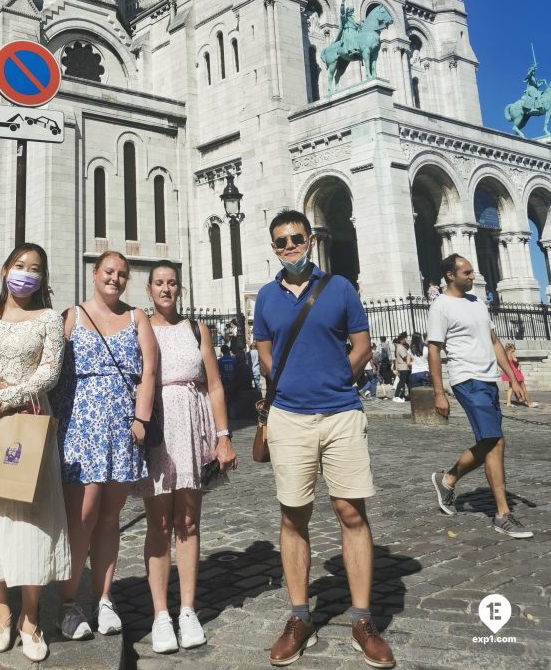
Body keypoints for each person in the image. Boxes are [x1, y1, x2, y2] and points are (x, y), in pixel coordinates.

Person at [254, 209, 395, 668]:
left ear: (310, 239)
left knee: (351, 510)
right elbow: (264, 352)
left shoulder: (339, 288)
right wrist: (291, 384)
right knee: (293, 514)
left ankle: (361, 618)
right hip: (290, 417)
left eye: (296, 238)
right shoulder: (265, 298)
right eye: (281, 241)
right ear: (273, 247)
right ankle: (299, 618)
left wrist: (337, 381)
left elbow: (363, 345)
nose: (290, 246)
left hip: (341, 414)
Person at [0, 243, 70, 662]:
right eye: (20, 265)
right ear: (6, 267)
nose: (27, 274)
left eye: (36, 269)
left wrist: (9, 395)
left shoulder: (48, 318)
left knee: (31, 517)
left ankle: (30, 617)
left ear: (43, 279)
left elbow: (50, 372)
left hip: (26, 422)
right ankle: (1, 614)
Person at [52, 251, 157, 640]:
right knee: (82, 514)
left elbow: (148, 370)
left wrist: (141, 418)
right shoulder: (72, 316)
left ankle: (104, 597)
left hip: (122, 429)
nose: (115, 279)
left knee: (111, 515)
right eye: (109, 272)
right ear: (94, 274)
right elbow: (53, 368)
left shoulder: (137, 318)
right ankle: (68, 602)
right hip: (80, 427)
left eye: (122, 274)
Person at [134, 262, 236, 653]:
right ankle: (161, 613)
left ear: (180, 289)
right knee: (159, 522)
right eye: (159, 283)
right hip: (159, 428)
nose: (166, 289)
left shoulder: (197, 329)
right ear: (149, 289)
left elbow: (214, 384)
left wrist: (224, 437)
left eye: (172, 283)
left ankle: (188, 609)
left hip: (195, 426)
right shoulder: (140, 326)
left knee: (189, 520)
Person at [427, 254, 534, 539]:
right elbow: (434, 350)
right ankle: (502, 514)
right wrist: (439, 393)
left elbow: (495, 342)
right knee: (495, 442)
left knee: (491, 441)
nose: (473, 276)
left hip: (489, 379)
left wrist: (512, 377)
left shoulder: (478, 303)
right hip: (466, 379)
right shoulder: (440, 306)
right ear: (451, 275)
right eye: (467, 272)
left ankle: (448, 478)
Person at [501, 343, 538, 408]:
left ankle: (508, 403)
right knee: (523, 388)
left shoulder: (504, 354)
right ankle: (529, 403)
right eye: (513, 348)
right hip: (515, 371)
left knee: (511, 388)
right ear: (510, 348)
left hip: (508, 371)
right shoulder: (511, 354)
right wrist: (517, 362)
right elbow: (515, 360)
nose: (514, 349)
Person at [392, 332, 411, 402]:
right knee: (401, 382)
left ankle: (410, 395)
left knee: (409, 382)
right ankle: (396, 396)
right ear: (401, 340)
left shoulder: (402, 346)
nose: (405, 340)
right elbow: (405, 356)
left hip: (405, 367)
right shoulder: (400, 347)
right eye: (404, 339)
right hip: (403, 367)